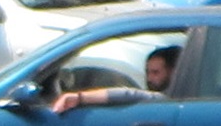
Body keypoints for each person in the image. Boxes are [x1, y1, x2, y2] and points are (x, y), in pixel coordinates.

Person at [51, 45, 179, 114]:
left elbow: (129, 95)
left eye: (156, 73)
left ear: (173, 72)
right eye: (147, 72)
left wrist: (80, 98)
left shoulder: (169, 99)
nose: (149, 78)